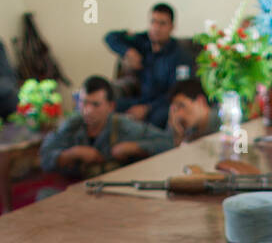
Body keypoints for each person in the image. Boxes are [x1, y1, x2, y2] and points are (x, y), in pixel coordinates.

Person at [39, 75, 173, 177]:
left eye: (95, 105)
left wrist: (135, 148)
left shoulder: (123, 126)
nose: (88, 110)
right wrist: (72, 153)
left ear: (111, 106)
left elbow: (167, 142)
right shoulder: (72, 125)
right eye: (84, 103)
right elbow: (45, 157)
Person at [104, 3, 187, 129]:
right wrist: (127, 51)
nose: (156, 28)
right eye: (153, 22)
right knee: (108, 106)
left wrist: (147, 108)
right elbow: (110, 37)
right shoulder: (142, 41)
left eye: (162, 23)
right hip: (141, 99)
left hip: (163, 104)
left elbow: (177, 92)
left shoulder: (180, 55)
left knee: (159, 117)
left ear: (172, 27)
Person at [167, 78, 220, 145]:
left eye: (182, 105)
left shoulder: (222, 122)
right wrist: (178, 135)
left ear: (201, 101)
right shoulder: (191, 131)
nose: (178, 114)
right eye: (175, 109)